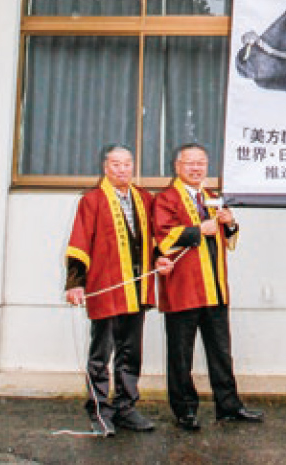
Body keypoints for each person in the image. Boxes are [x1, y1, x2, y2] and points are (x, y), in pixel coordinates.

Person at [152, 142, 264, 430]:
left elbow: (229, 242)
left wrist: (230, 224)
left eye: (201, 162)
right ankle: (185, 410)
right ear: (177, 167)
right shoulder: (166, 199)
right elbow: (162, 238)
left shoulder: (212, 198)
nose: (196, 167)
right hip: (183, 289)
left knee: (221, 351)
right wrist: (197, 230)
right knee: (180, 354)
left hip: (214, 288)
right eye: (190, 163)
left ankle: (228, 405)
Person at [65, 143, 173, 436]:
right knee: (101, 353)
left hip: (136, 288)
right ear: (105, 167)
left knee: (130, 352)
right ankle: (99, 409)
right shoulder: (92, 200)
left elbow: (152, 239)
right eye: (116, 164)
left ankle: (126, 408)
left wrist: (161, 258)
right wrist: (75, 284)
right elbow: (79, 243)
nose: (122, 169)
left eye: (127, 164)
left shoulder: (143, 198)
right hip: (107, 286)